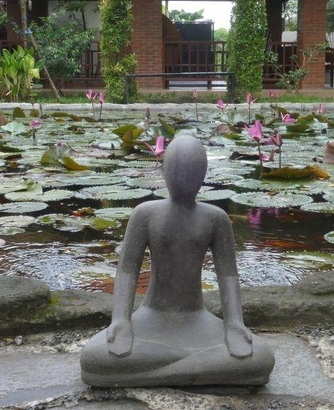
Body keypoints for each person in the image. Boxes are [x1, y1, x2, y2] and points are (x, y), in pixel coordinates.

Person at [80, 133, 275, 387]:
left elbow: (228, 275)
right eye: (178, 171)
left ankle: (157, 373)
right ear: (165, 171)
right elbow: (127, 271)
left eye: (193, 172)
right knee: (92, 358)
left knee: (261, 358)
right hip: (151, 319)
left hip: (197, 320)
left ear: (203, 175)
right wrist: (121, 320)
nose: (185, 179)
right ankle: (199, 368)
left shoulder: (216, 218)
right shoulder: (145, 214)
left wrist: (235, 324)